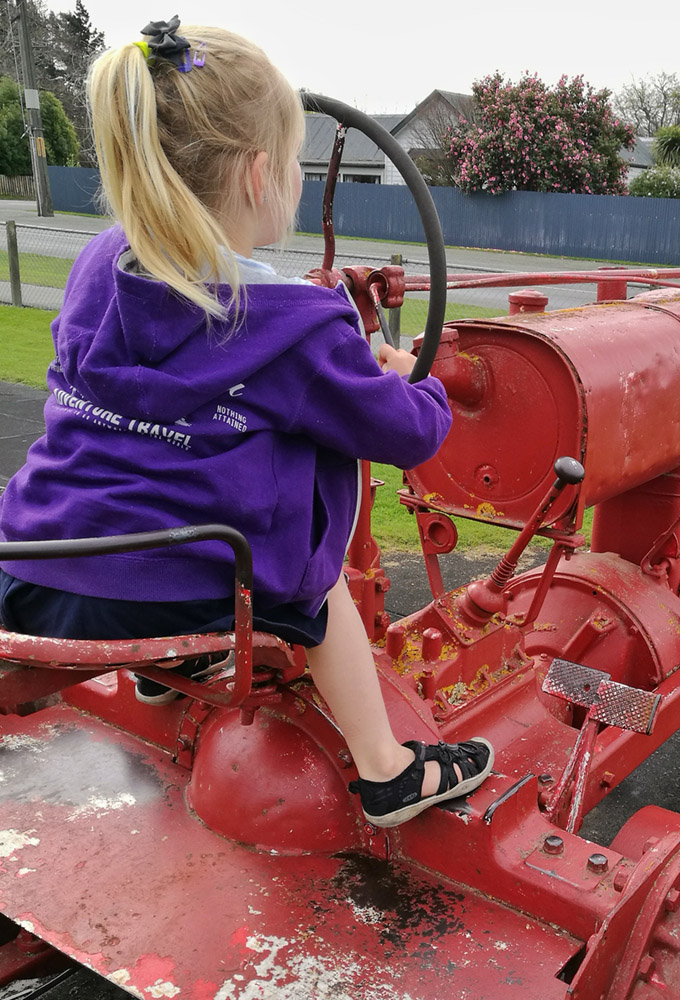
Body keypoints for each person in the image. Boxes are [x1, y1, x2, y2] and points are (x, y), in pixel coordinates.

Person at [0, 17, 492, 828]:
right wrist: (424, 382)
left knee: (159, 491)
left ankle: (168, 667)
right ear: (264, 173)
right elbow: (405, 435)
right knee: (320, 580)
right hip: (166, 588)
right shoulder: (294, 326)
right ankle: (388, 771)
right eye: (294, 160)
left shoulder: (98, 266)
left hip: (39, 562)